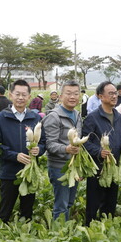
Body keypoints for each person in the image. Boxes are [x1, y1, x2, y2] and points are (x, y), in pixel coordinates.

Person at [0, 80, 45, 223]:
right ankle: (1, 238)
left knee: (27, 212)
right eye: (17, 94)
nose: (20, 98)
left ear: (29, 96)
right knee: (5, 211)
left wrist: (39, 150)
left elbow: (43, 142)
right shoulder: (1, 117)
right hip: (9, 173)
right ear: (10, 95)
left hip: (30, 173)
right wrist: (14, 156)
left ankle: (24, 238)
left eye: (24, 94)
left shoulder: (35, 118)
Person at [82, 81, 121, 225]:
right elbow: (85, 142)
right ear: (101, 96)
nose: (115, 96)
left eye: (115, 93)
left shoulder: (119, 117)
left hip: (114, 166)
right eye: (111, 93)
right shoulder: (93, 117)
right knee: (94, 200)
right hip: (98, 167)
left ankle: (107, 226)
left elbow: (120, 137)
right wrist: (98, 151)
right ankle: (89, 226)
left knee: (111, 200)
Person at [42, 81, 82, 220]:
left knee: (69, 202)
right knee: (62, 205)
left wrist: (79, 167)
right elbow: (49, 145)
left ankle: (64, 231)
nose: (73, 97)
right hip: (59, 167)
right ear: (60, 96)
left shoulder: (77, 114)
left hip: (73, 166)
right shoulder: (53, 116)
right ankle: (58, 236)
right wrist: (66, 149)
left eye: (76, 94)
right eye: (68, 93)